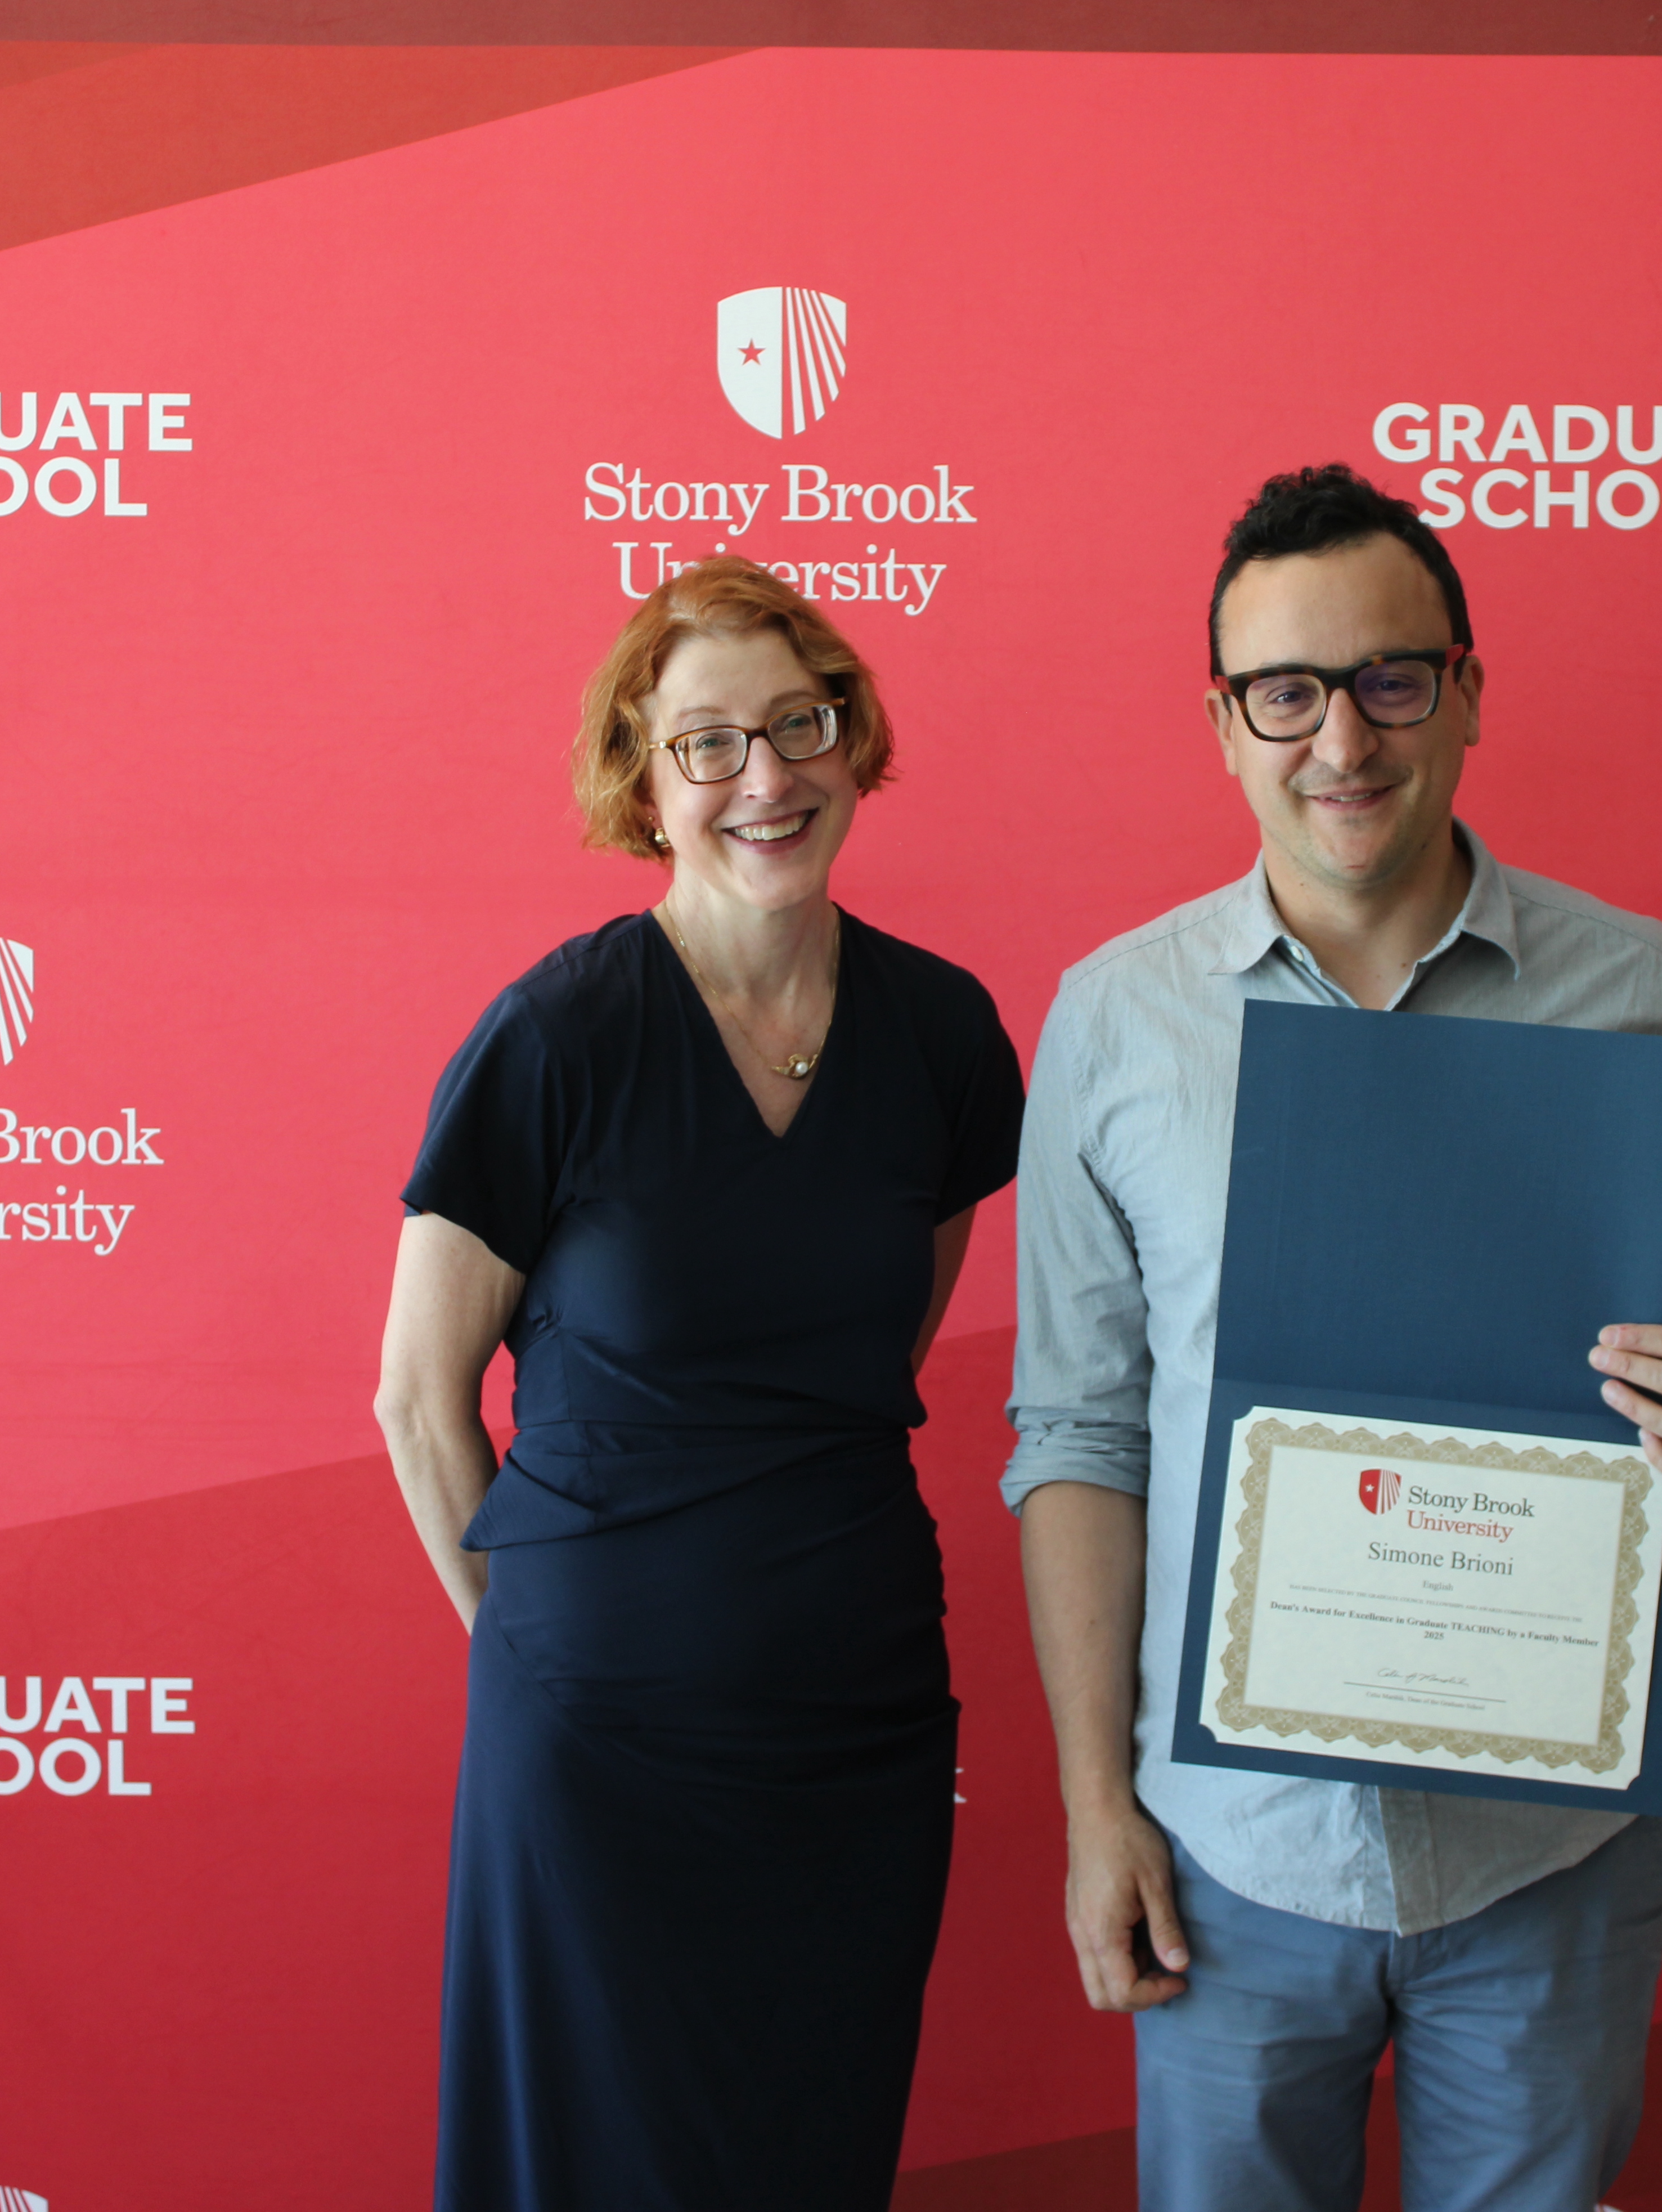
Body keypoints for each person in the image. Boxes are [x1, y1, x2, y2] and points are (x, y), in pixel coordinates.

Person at [1004, 464, 1662, 2212]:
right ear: (1224, 728)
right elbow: (1083, 1435)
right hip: (1230, 1858)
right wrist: (1100, 1811)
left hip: (1547, 1857)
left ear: (1464, 695)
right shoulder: (1118, 1020)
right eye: (1284, 694)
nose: (1342, 740)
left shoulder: (1629, 987)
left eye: (1391, 680)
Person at [375, 558, 1025, 2212]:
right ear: (642, 781)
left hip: (854, 1728)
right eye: (708, 743)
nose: (766, 779)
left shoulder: (945, 1035)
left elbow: (877, 1358)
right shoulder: (558, 1035)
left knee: (810, 2153)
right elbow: (416, 1399)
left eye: (801, 726)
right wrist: (542, 1653)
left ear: (852, 739)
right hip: (596, 1740)